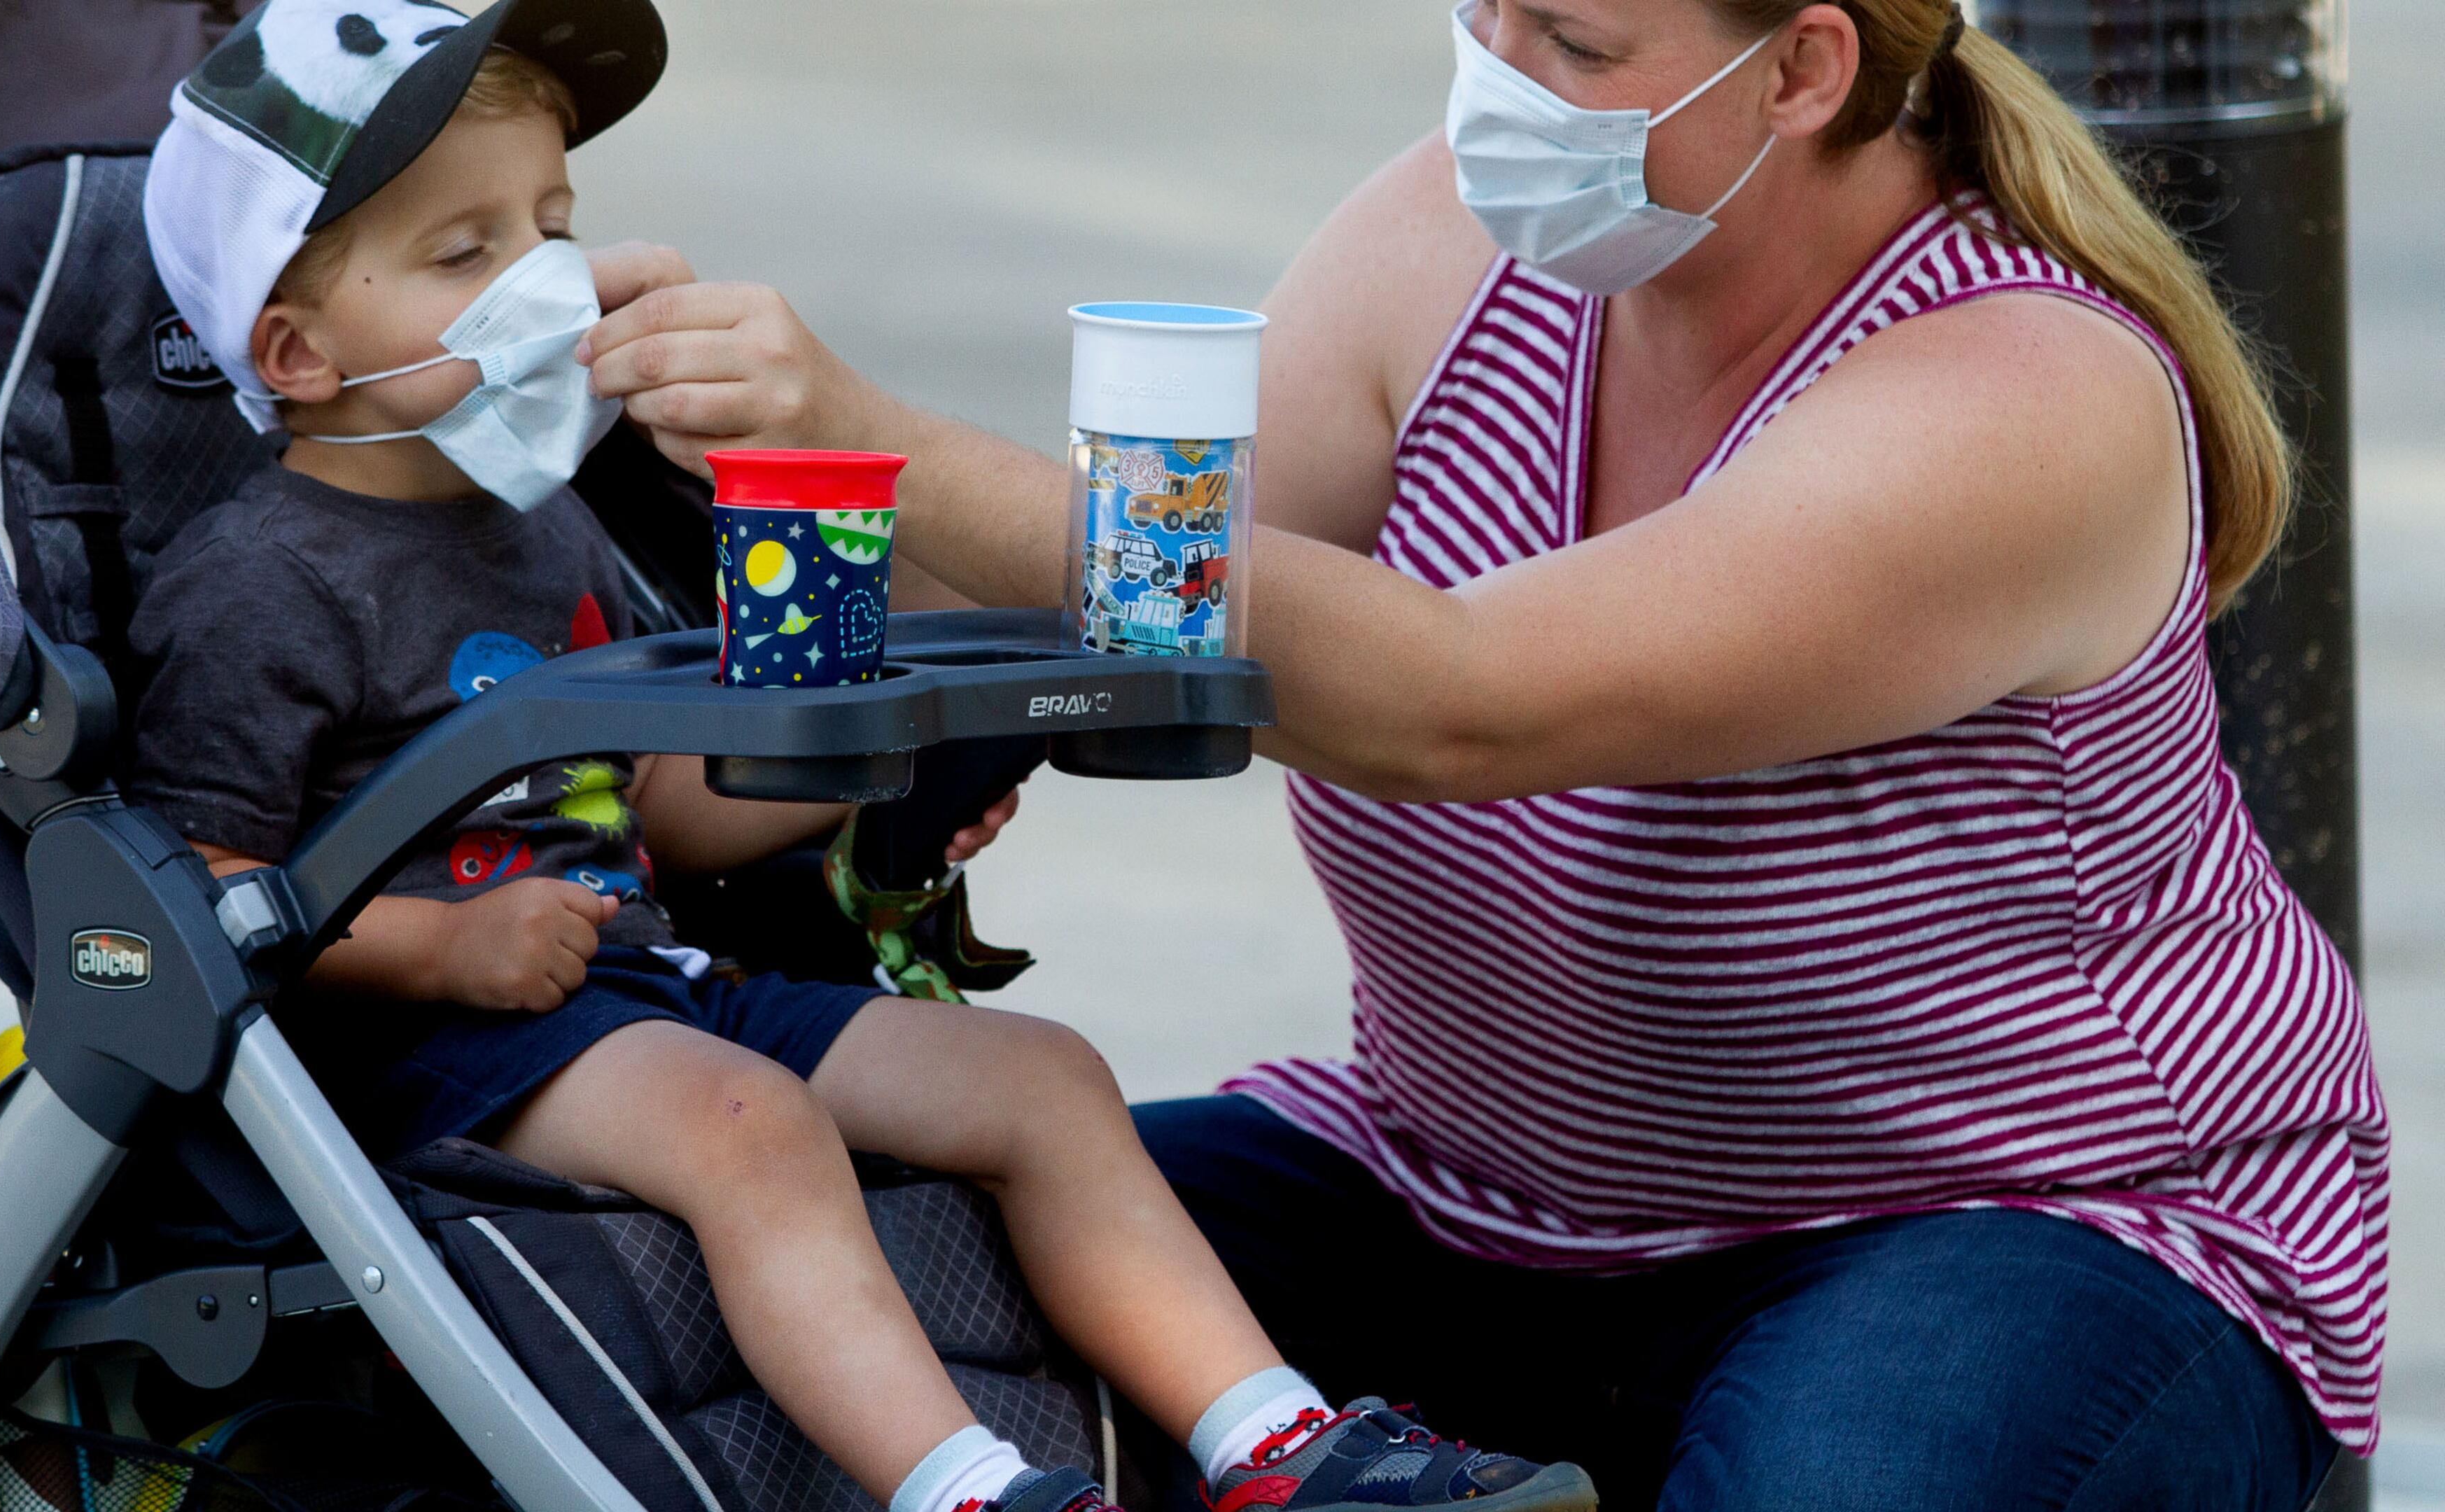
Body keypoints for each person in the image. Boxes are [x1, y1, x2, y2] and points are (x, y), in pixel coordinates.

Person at [573, 0, 2387, 1506]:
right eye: (1488, 10)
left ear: (1804, 68)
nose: (1500, 82)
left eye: (1577, 45)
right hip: (1463, 1191)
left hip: (2013, 1217)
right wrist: (630, 470)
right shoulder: (1450, 241)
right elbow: (1126, 631)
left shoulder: (2025, 394)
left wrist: (869, 442)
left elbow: (1471, 700)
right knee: (786, 1311)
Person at [127, 6, 1599, 1512]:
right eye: (463, 256)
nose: (538, 286)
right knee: (750, 1127)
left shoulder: (543, 522)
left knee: (1038, 1080)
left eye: (551, 230)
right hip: (431, 1051)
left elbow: (661, 815)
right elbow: (188, 903)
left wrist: (873, 756)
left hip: (640, 993)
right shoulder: (261, 583)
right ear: (299, 351)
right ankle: (964, 1486)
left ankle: (1279, 1449)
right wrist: (444, 948)